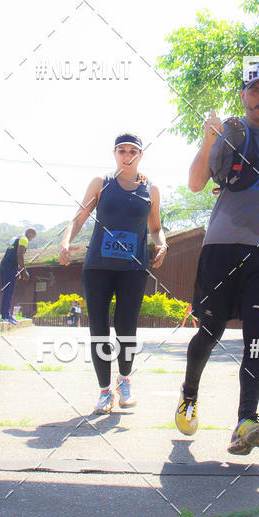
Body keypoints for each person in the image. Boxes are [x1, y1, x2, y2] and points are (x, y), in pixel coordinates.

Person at [175, 66, 259, 455]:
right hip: (223, 250)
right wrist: (209, 139)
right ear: (244, 95)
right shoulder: (230, 133)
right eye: (255, 90)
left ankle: (246, 420)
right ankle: (189, 395)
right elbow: (196, 183)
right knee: (208, 333)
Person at [59, 134, 167, 413]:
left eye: (133, 151)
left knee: (126, 327)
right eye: (122, 150)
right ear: (114, 153)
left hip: (133, 268)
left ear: (140, 155)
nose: (127, 155)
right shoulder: (101, 183)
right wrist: (66, 239)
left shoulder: (150, 190)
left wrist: (162, 243)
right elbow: (80, 216)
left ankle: (125, 381)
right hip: (98, 266)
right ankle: (104, 391)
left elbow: (155, 227)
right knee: (98, 329)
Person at [0, 228, 36, 323]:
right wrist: (24, 271)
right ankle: (6, 316)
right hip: (10, 267)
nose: (32, 238)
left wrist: (17, 271)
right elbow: (19, 254)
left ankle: (5, 315)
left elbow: (12, 255)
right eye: (33, 236)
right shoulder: (24, 239)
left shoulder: (16, 238)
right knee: (9, 292)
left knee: (7, 291)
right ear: (30, 233)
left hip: (5, 265)